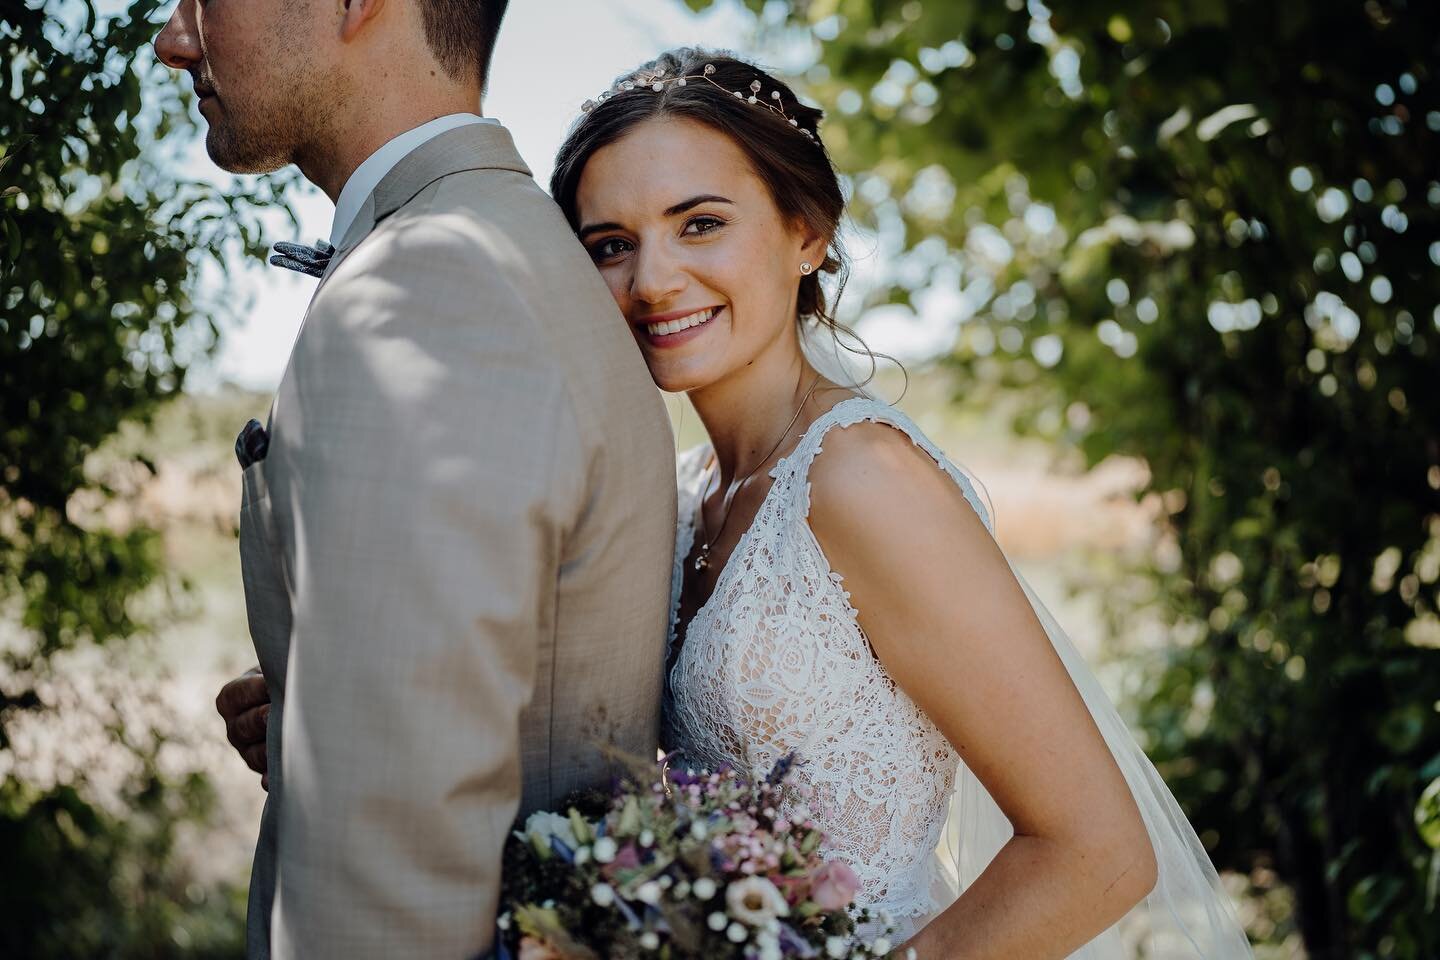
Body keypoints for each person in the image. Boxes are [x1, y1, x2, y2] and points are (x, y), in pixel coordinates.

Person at [545, 49, 1256, 958]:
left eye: (701, 223)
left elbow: (1100, 854)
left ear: (808, 234)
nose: (651, 282)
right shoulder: (684, 495)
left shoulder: (862, 480)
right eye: (611, 245)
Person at [154, 0, 677, 956]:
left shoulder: (429, 280)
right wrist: (328, 702)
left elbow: (391, 885)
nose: (174, 39)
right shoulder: (494, 247)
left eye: (201, 1)